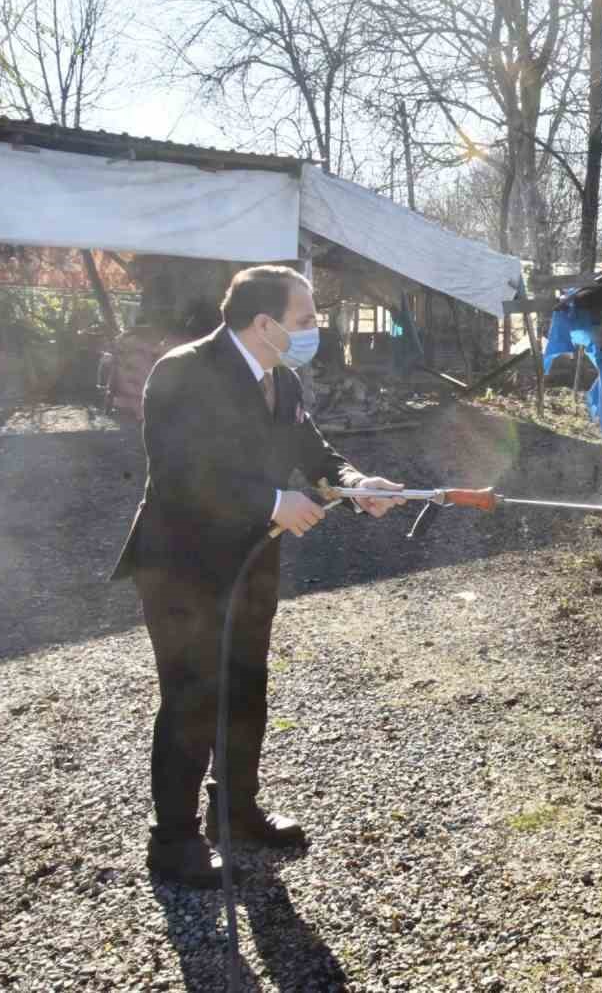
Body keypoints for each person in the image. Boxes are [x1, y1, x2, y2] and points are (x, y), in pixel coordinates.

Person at [112, 265, 406, 888]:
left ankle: (235, 812)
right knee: (194, 695)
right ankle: (173, 843)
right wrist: (272, 503)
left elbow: (316, 455)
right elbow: (178, 472)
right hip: (181, 566)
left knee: (246, 687)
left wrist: (355, 486)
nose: (314, 330)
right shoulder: (183, 372)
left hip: (252, 563)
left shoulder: (285, 383)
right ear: (264, 322)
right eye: (306, 320)